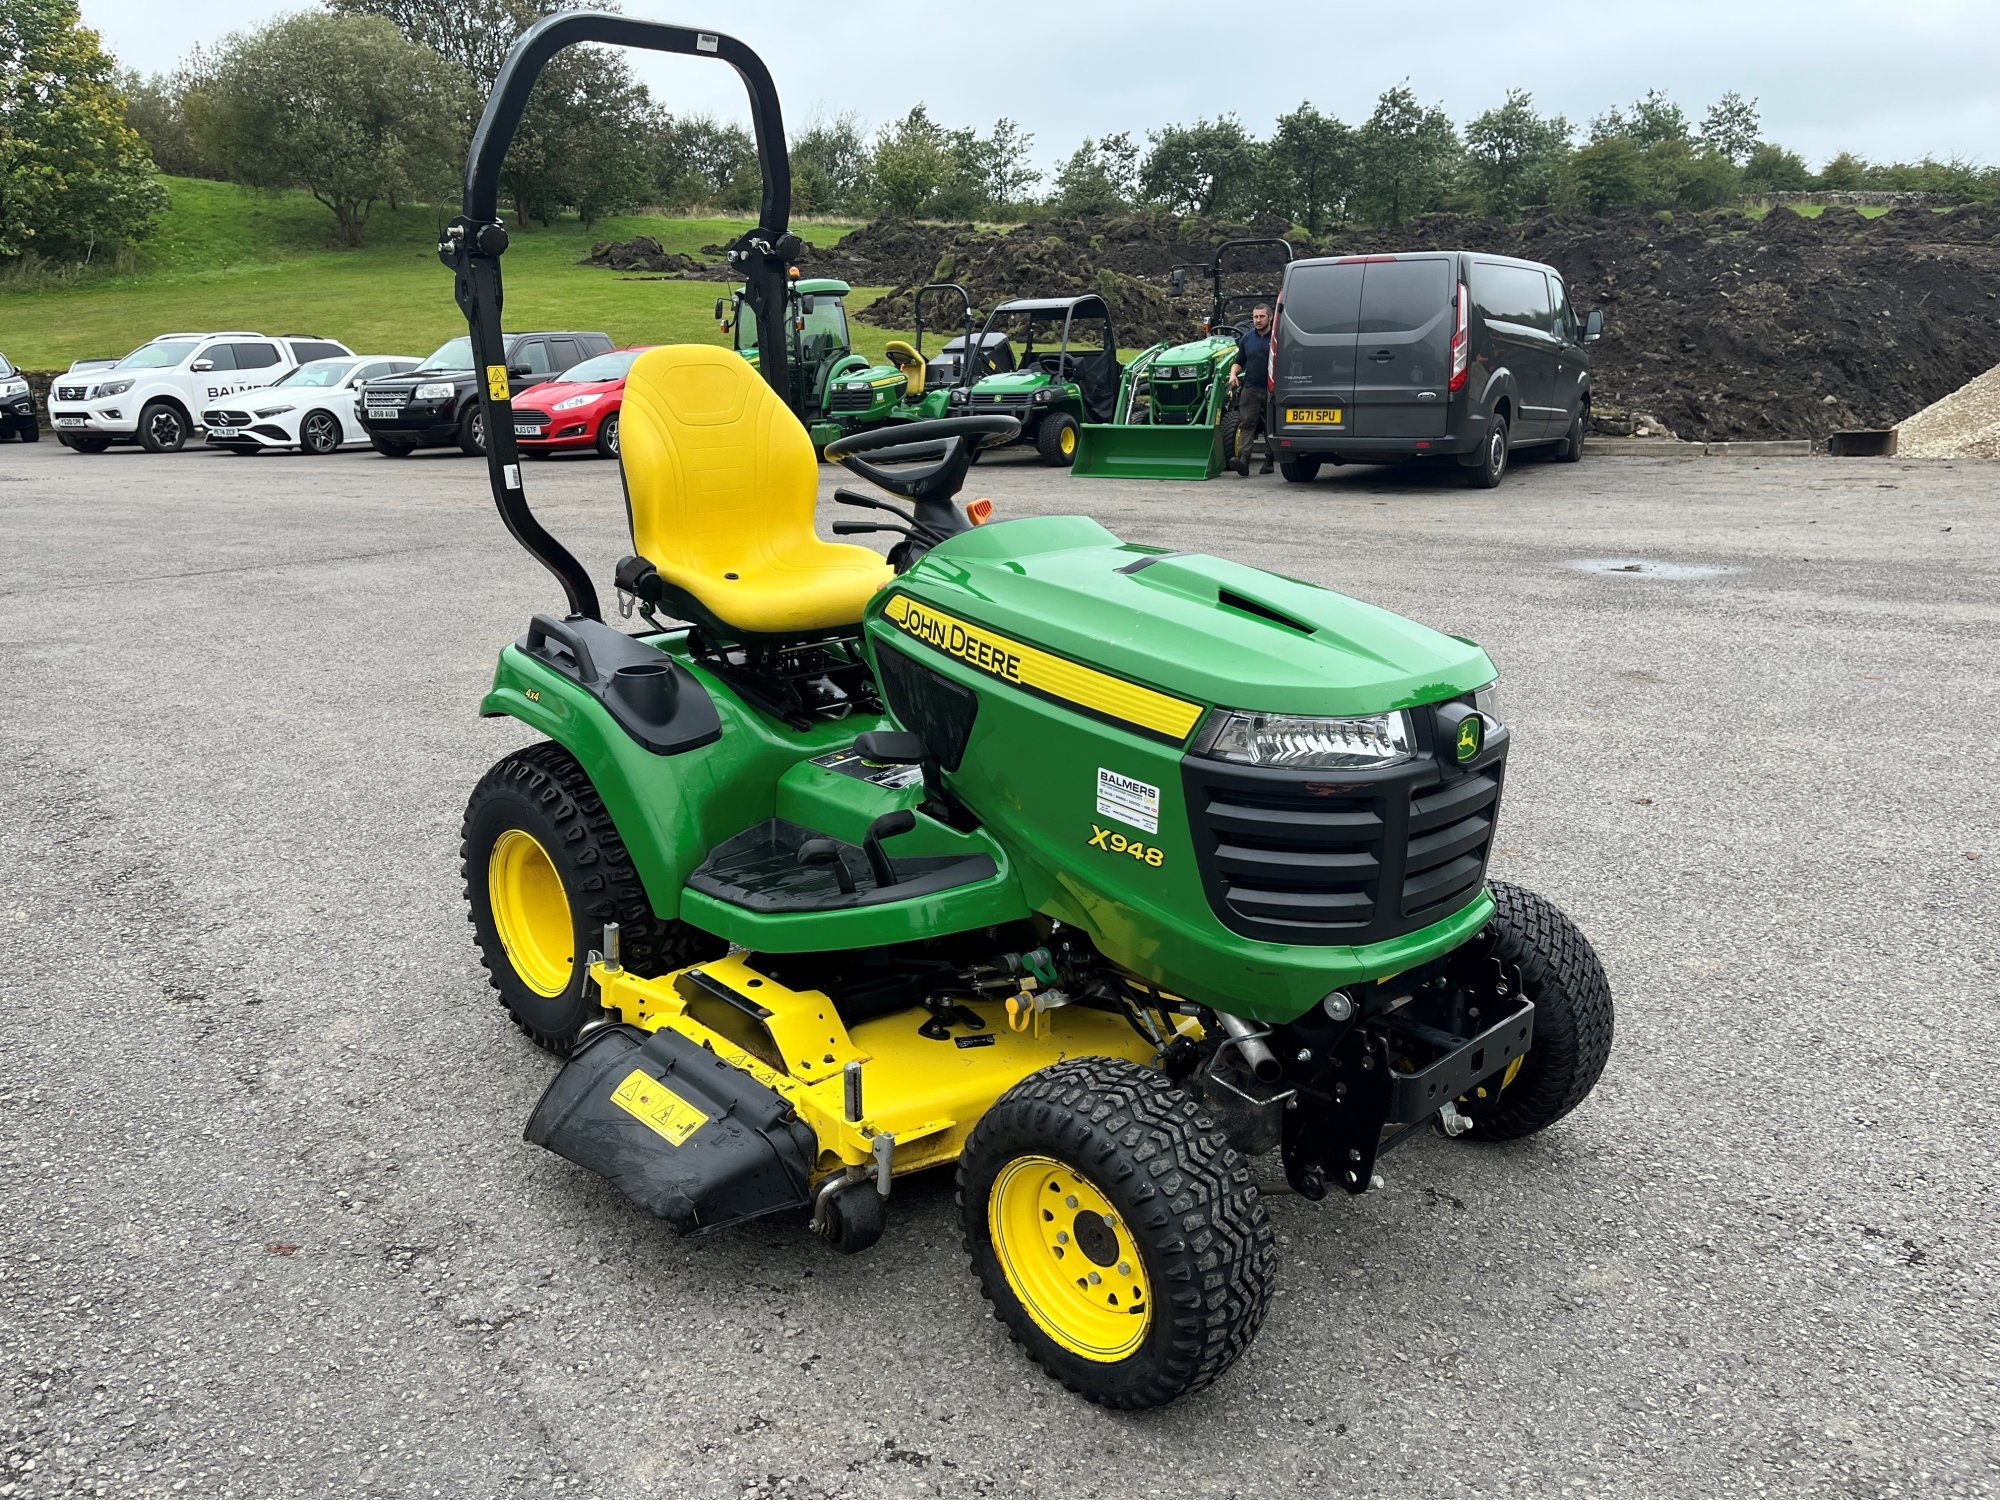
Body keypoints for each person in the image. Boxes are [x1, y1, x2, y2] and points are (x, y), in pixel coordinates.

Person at [1227, 303, 1274, 476]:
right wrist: (1233, 374)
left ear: (1270, 317)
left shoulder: (1277, 338)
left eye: (1262, 317)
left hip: (1272, 389)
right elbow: (1239, 361)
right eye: (1255, 317)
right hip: (1251, 388)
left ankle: (1269, 460)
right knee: (1247, 423)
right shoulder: (1247, 339)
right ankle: (1244, 459)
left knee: (1271, 424)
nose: (1258, 320)